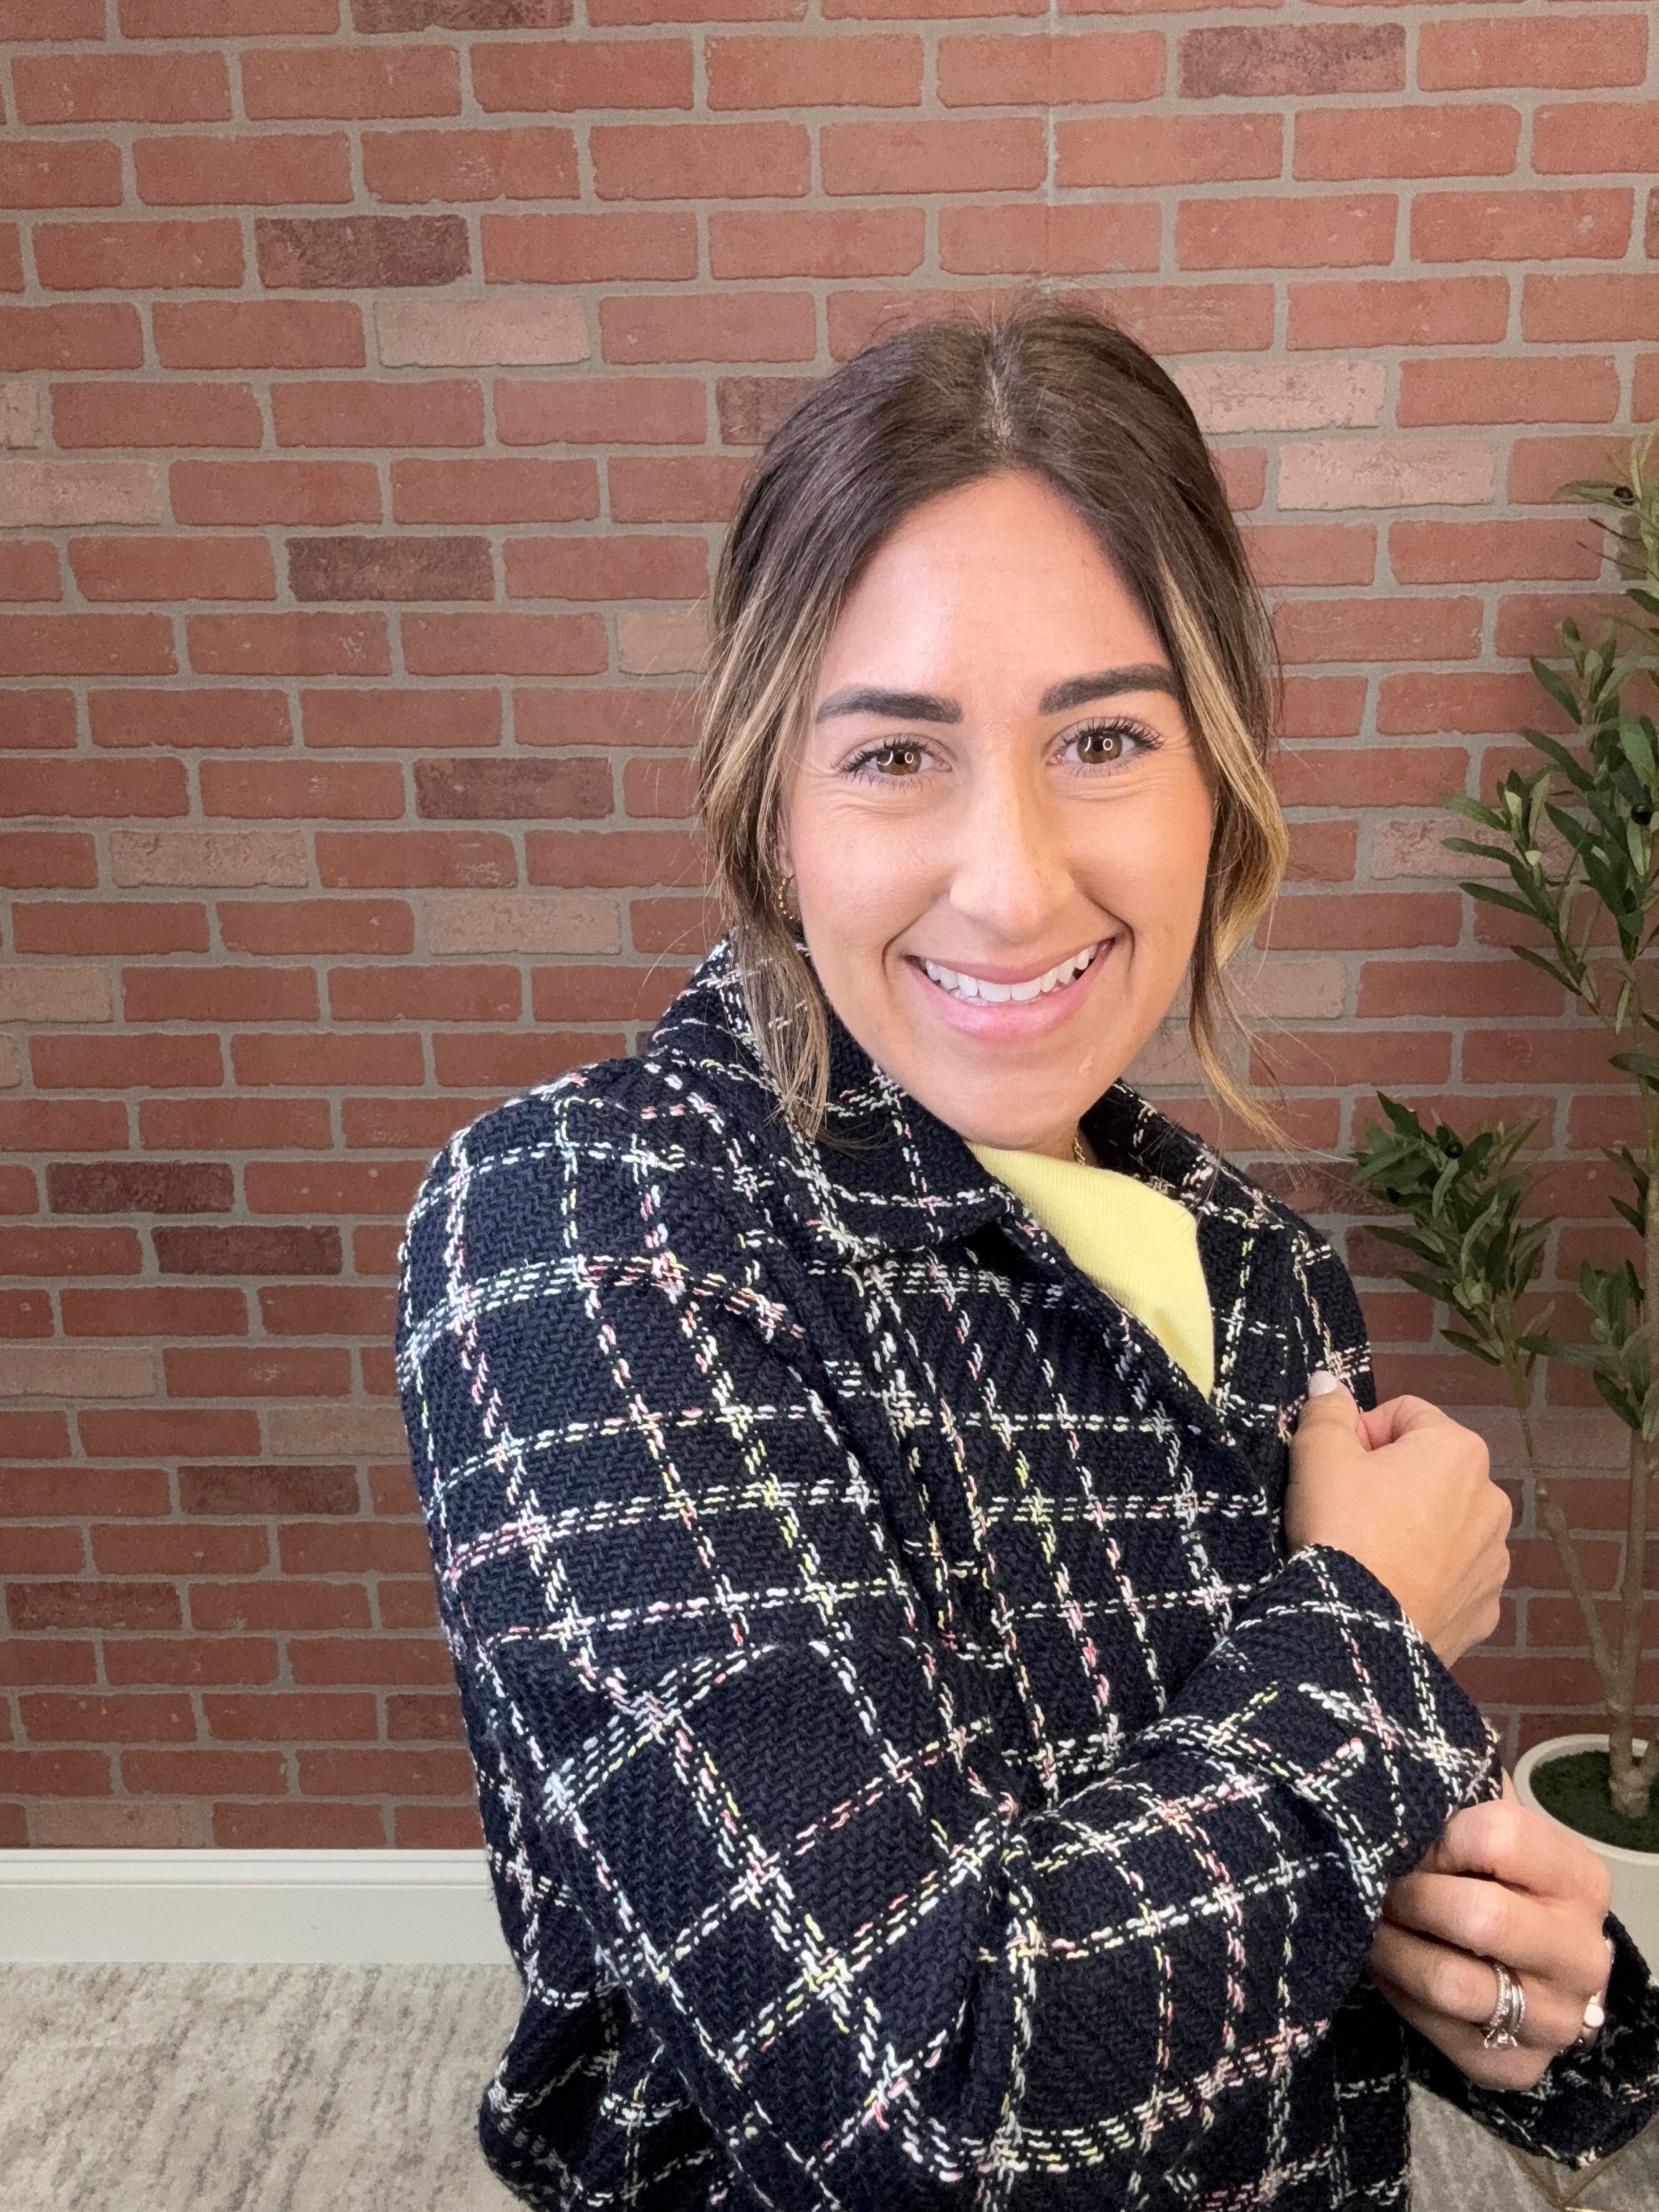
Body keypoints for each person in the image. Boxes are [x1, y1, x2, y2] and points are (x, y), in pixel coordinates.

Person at [395, 300, 1659, 2209]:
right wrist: (1370, 1620)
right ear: (771, 804)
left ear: (1219, 777)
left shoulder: (1256, 1266)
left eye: (1104, 738)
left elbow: (1329, 1859)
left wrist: (1533, 1991)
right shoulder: (585, 1232)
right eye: (895, 755)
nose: (1011, 881)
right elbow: (933, 2128)